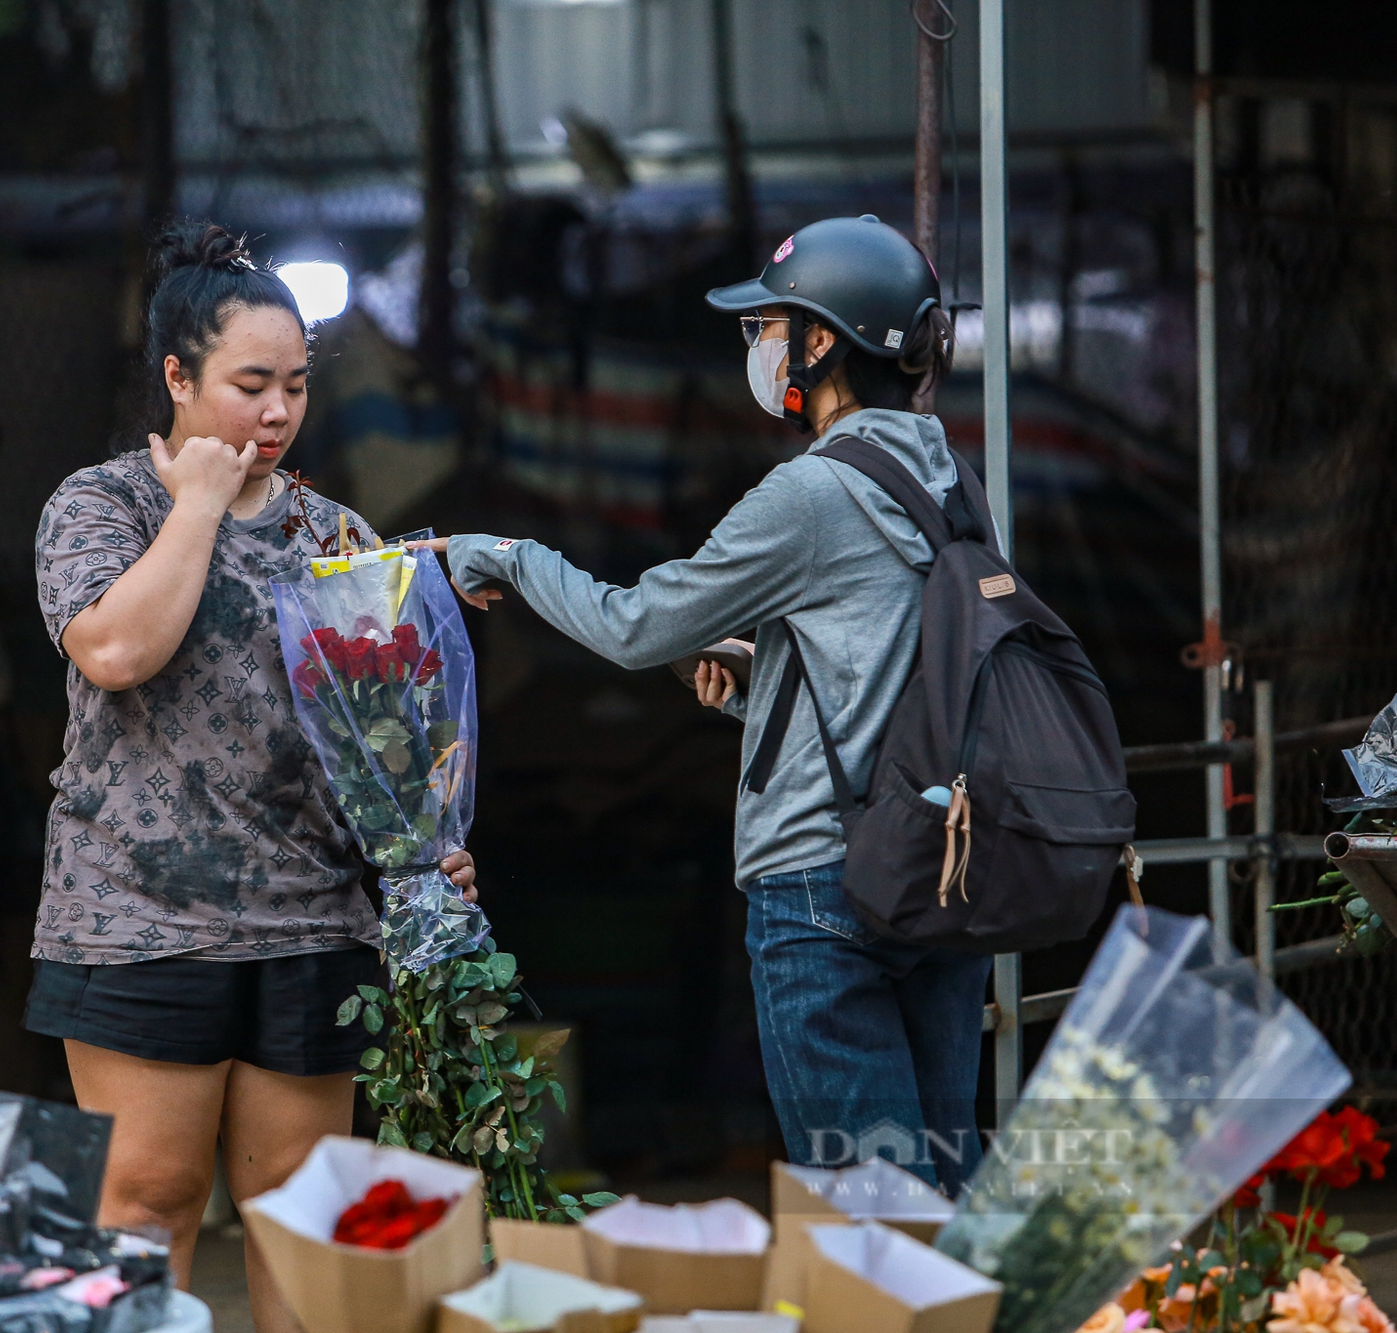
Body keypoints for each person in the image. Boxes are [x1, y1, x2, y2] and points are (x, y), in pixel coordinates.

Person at [418, 216, 987, 1194]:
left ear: (820, 343)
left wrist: (500, 556)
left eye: (766, 327)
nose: (756, 350)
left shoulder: (811, 493)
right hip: (937, 866)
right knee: (939, 1184)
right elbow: (896, 681)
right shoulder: (944, 475)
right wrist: (757, 682)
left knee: (873, 1208)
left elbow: (635, 624)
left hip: (821, 886)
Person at [25, 221, 476, 1326]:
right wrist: (196, 504)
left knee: (297, 1213)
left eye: (294, 387)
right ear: (177, 378)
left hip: (310, 924)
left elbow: (387, 734)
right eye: (248, 385)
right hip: (136, 918)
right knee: (146, 1201)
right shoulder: (102, 506)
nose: (275, 413)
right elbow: (117, 650)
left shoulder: (336, 534)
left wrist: (426, 847)